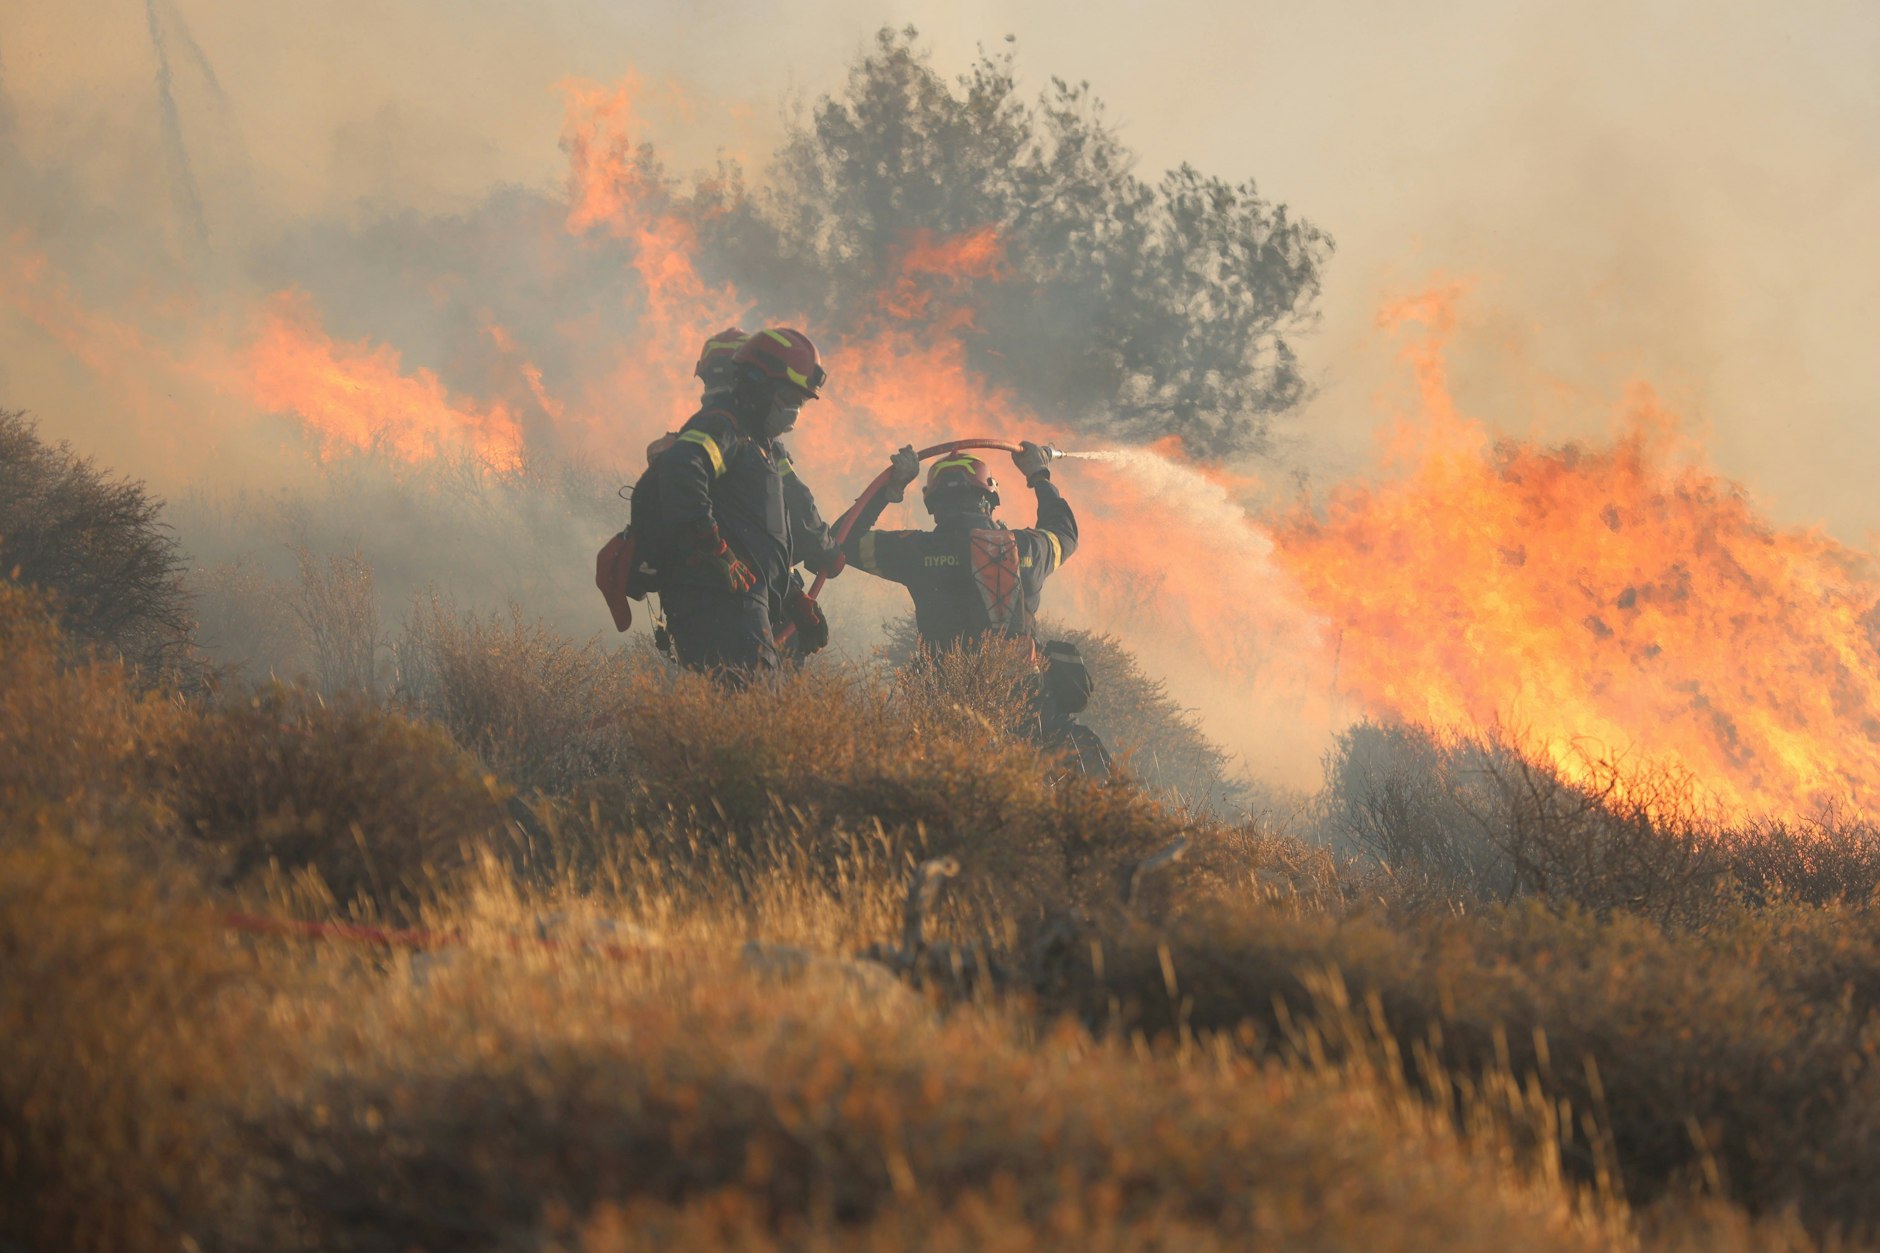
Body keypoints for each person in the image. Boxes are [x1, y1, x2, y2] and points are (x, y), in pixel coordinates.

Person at [840, 441, 1112, 775]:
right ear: (989, 500)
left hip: (948, 717)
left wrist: (891, 487)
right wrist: (1039, 476)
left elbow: (840, 543)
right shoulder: (1027, 548)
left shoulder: (915, 550)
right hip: (1033, 713)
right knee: (1092, 779)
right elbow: (1064, 532)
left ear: (934, 505)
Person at [640, 328, 841, 681]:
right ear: (754, 383)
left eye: (799, 402)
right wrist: (712, 548)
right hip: (724, 607)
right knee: (751, 718)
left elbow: (751, 537)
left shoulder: (756, 444)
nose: (793, 411)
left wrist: (792, 596)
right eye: (788, 398)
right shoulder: (724, 429)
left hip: (749, 605)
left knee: (758, 721)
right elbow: (682, 469)